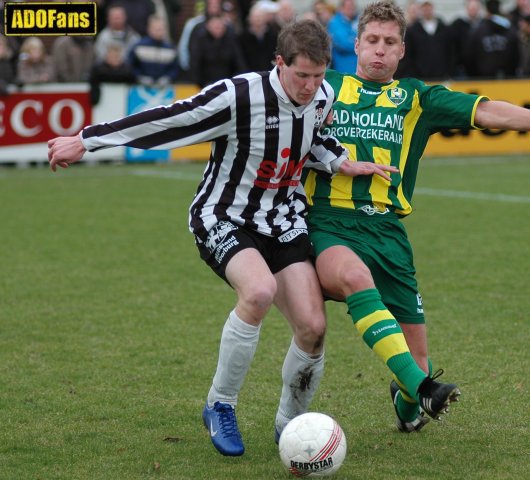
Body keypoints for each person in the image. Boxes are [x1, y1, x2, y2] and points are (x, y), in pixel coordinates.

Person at [48, 19, 396, 457]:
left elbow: (316, 140)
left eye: (318, 75)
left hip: (283, 220)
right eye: (301, 75)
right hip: (224, 217)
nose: (310, 87)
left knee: (312, 327)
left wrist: (341, 162)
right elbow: (171, 118)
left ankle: (291, 425)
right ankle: (220, 404)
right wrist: (87, 140)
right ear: (279, 64)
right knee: (259, 291)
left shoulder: (323, 96)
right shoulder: (239, 95)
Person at [303, 1, 530, 433]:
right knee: (354, 278)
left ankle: (409, 398)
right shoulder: (325, 87)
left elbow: (486, 111)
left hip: (388, 234)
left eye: (389, 42)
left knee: (416, 364)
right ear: (355, 44)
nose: (379, 50)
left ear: (402, 50)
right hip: (329, 222)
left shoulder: (417, 97)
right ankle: (423, 387)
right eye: (371, 40)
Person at [397, 0, 451, 80]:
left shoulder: (443, 28)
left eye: (429, 8)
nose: (427, 11)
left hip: (441, 75)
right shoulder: (413, 30)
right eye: (425, 8)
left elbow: (449, 50)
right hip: (420, 75)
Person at [465, 0, 519, 79]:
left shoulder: (478, 30)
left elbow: (469, 56)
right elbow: (516, 54)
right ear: (499, 9)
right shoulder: (510, 29)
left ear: (486, 10)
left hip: (484, 78)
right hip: (508, 77)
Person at [128, 14, 179, 87]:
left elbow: (175, 68)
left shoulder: (171, 48)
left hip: (164, 90)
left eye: (161, 29)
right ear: (149, 29)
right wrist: (139, 77)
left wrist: (168, 78)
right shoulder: (139, 46)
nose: (159, 32)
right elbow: (131, 66)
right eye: (156, 29)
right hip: (140, 89)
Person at [327, 0, 359, 73]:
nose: (351, 9)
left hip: (358, 70)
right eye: (348, 7)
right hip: (342, 71)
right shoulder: (334, 22)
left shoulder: (359, 20)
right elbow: (343, 44)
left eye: (353, 7)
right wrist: (360, 41)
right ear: (341, 8)